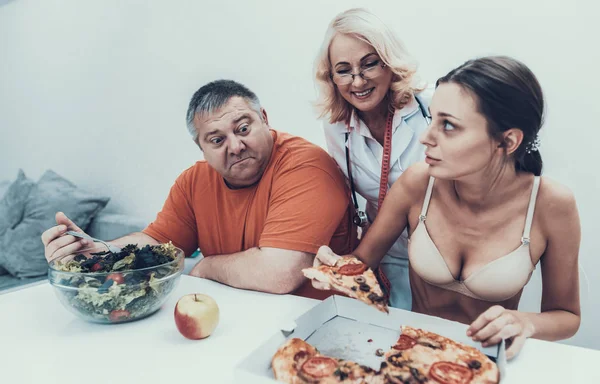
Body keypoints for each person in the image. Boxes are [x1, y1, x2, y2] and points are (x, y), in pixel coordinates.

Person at [313, 56, 581, 359]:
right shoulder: (418, 183)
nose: (427, 138)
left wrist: (526, 322)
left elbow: (566, 316)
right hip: (411, 358)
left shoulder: (551, 205)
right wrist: (334, 267)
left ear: (507, 142)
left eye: (449, 125)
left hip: (485, 366)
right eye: (434, 120)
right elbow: (361, 266)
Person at [42, 79, 356, 299]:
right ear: (201, 146)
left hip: (317, 324)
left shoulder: (307, 166)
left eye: (243, 128)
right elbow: (156, 243)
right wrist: (102, 251)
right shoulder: (194, 181)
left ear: (264, 119)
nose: (235, 146)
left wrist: (206, 267)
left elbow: (280, 273)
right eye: (217, 140)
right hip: (238, 315)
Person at [314, 8, 434, 310]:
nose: (357, 81)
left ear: (390, 63)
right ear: (331, 76)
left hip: (441, 259)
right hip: (385, 256)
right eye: (343, 70)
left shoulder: (432, 109)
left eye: (369, 64)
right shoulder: (335, 127)